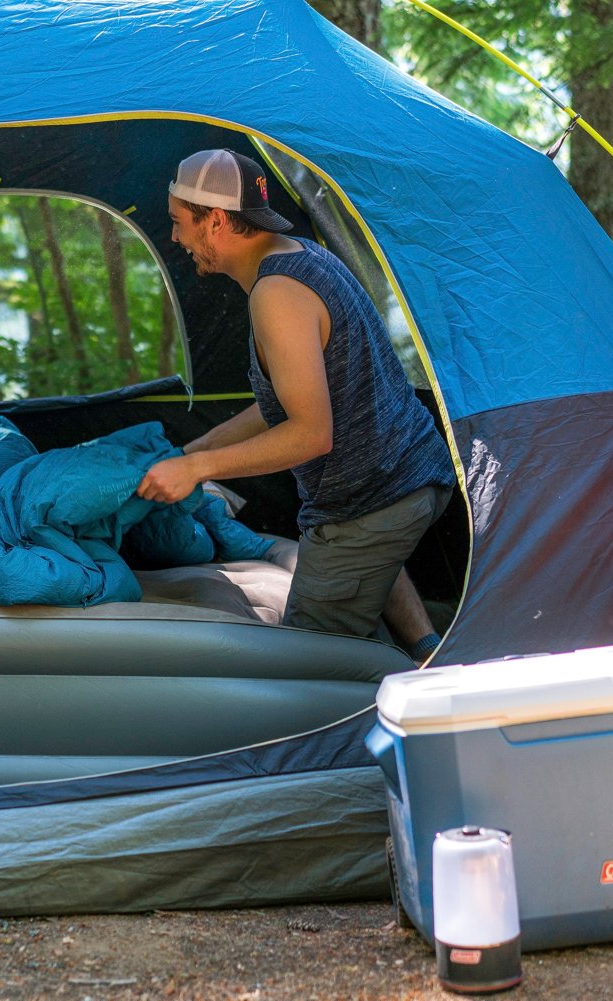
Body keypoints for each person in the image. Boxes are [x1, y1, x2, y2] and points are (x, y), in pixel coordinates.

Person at [136, 149, 455, 658]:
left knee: (308, 663)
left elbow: (310, 433)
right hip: (406, 476)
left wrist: (197, 468)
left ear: (215, 220)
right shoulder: (303, 256)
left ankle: (413, 710)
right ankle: (428, 648)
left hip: (373, 500)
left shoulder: (277, 293)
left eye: (178, 223)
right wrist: (190, 451)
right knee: (367, 560)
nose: (175, 238)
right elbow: (283, 401)